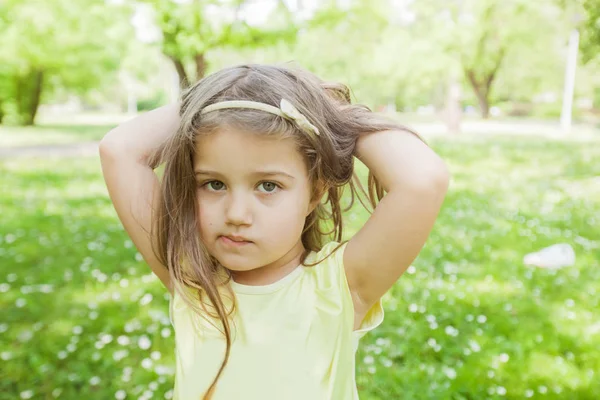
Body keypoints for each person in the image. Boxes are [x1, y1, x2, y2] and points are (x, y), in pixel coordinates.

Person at [99, 63, 450, 400]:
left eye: (268, 186)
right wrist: (220, 92)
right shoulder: (193, 279)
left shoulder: (338, 287)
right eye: (214, 184)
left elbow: (421, 180)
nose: (236, 214)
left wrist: (330, 111)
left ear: (315, 191)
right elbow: (120, 150)